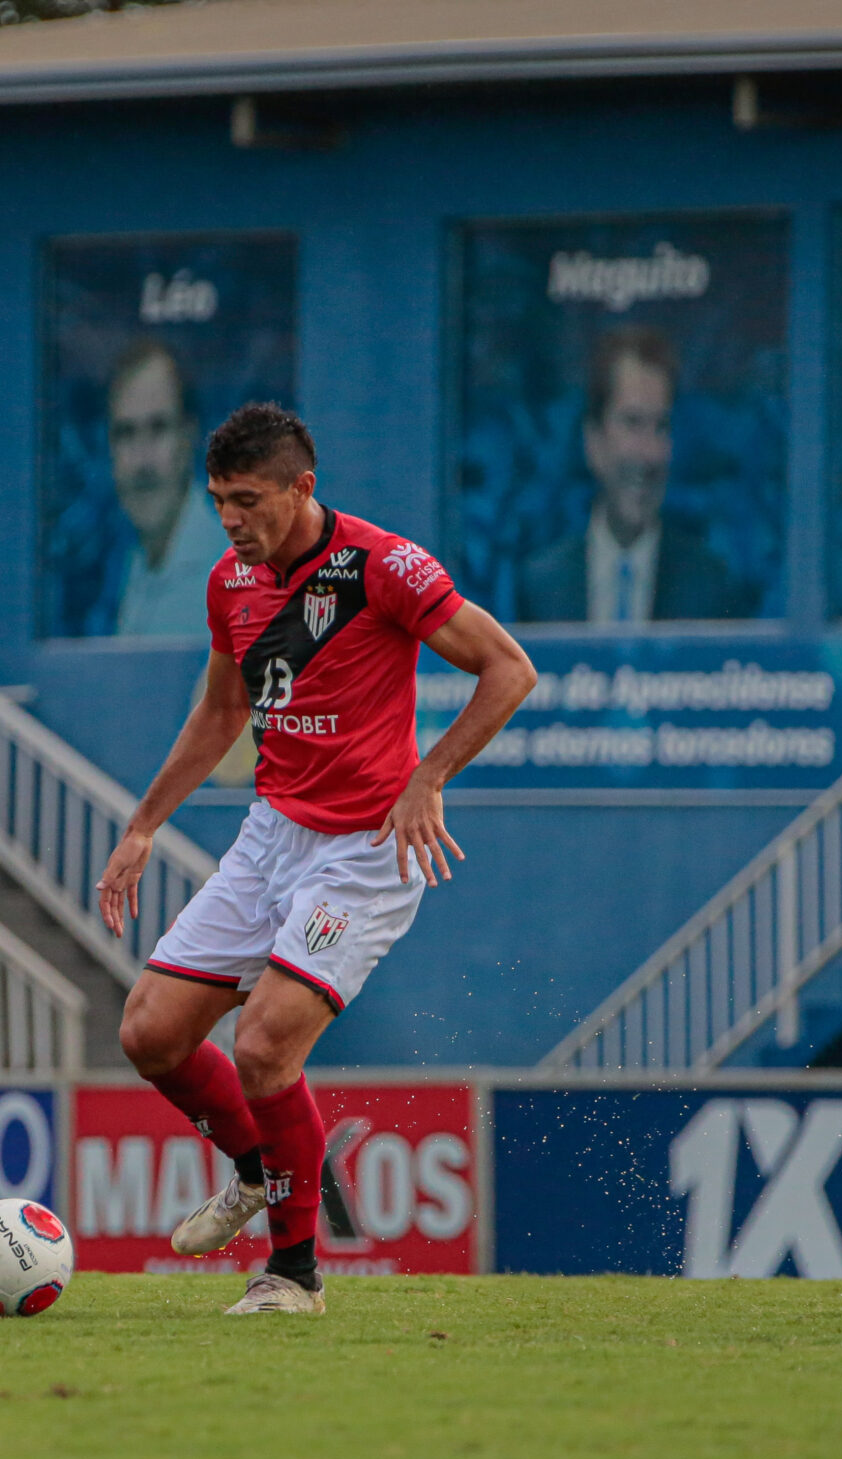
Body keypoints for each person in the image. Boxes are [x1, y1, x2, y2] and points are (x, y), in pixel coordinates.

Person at [95, 401, 536, 1314]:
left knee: (262, 1047)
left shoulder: (386, 567)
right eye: (218, 500)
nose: (229, 520)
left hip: (366, 849)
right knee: (150, 1033)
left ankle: (294, 1275)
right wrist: (142, 826)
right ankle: (257, 1169)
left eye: (247, 500)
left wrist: (430, 776)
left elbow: (509, 669)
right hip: (271, 836)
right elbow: (221, 715)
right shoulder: (230, 582)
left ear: (303, 487)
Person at [514, 325, 755, 624]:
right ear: (593, 441)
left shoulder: (711, 586)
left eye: (661, 427)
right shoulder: (542, 585)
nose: (650, 453)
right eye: (633, 423)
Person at [105, 338, 232, 637]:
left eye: (158, 428)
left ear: (188, 438)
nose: (142, 461)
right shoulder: (135, 566)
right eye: (126, 433)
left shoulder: (234, 573)